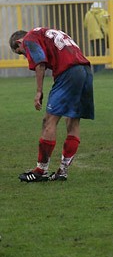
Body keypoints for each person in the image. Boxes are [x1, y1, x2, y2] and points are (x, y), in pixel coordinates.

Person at [9, 28, 94, 182]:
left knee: (49, 121)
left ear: (18, 42)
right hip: (85, 70)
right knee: (73, 120)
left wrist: (39, 92)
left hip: (68, 72)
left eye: (21, 52)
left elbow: (40, 63)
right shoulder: (48, 33)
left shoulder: (29, 38)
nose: (25, 55)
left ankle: (40, 171)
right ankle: (62, 171)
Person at [84, 2, 109, 72]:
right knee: (102, 53)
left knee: (95, 54)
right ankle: (101, 70)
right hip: (102, 36)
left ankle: (95, 70)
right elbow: (109, 22)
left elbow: (85, 25)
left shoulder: (88, 14)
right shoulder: (104, 13)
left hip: (92, 37)